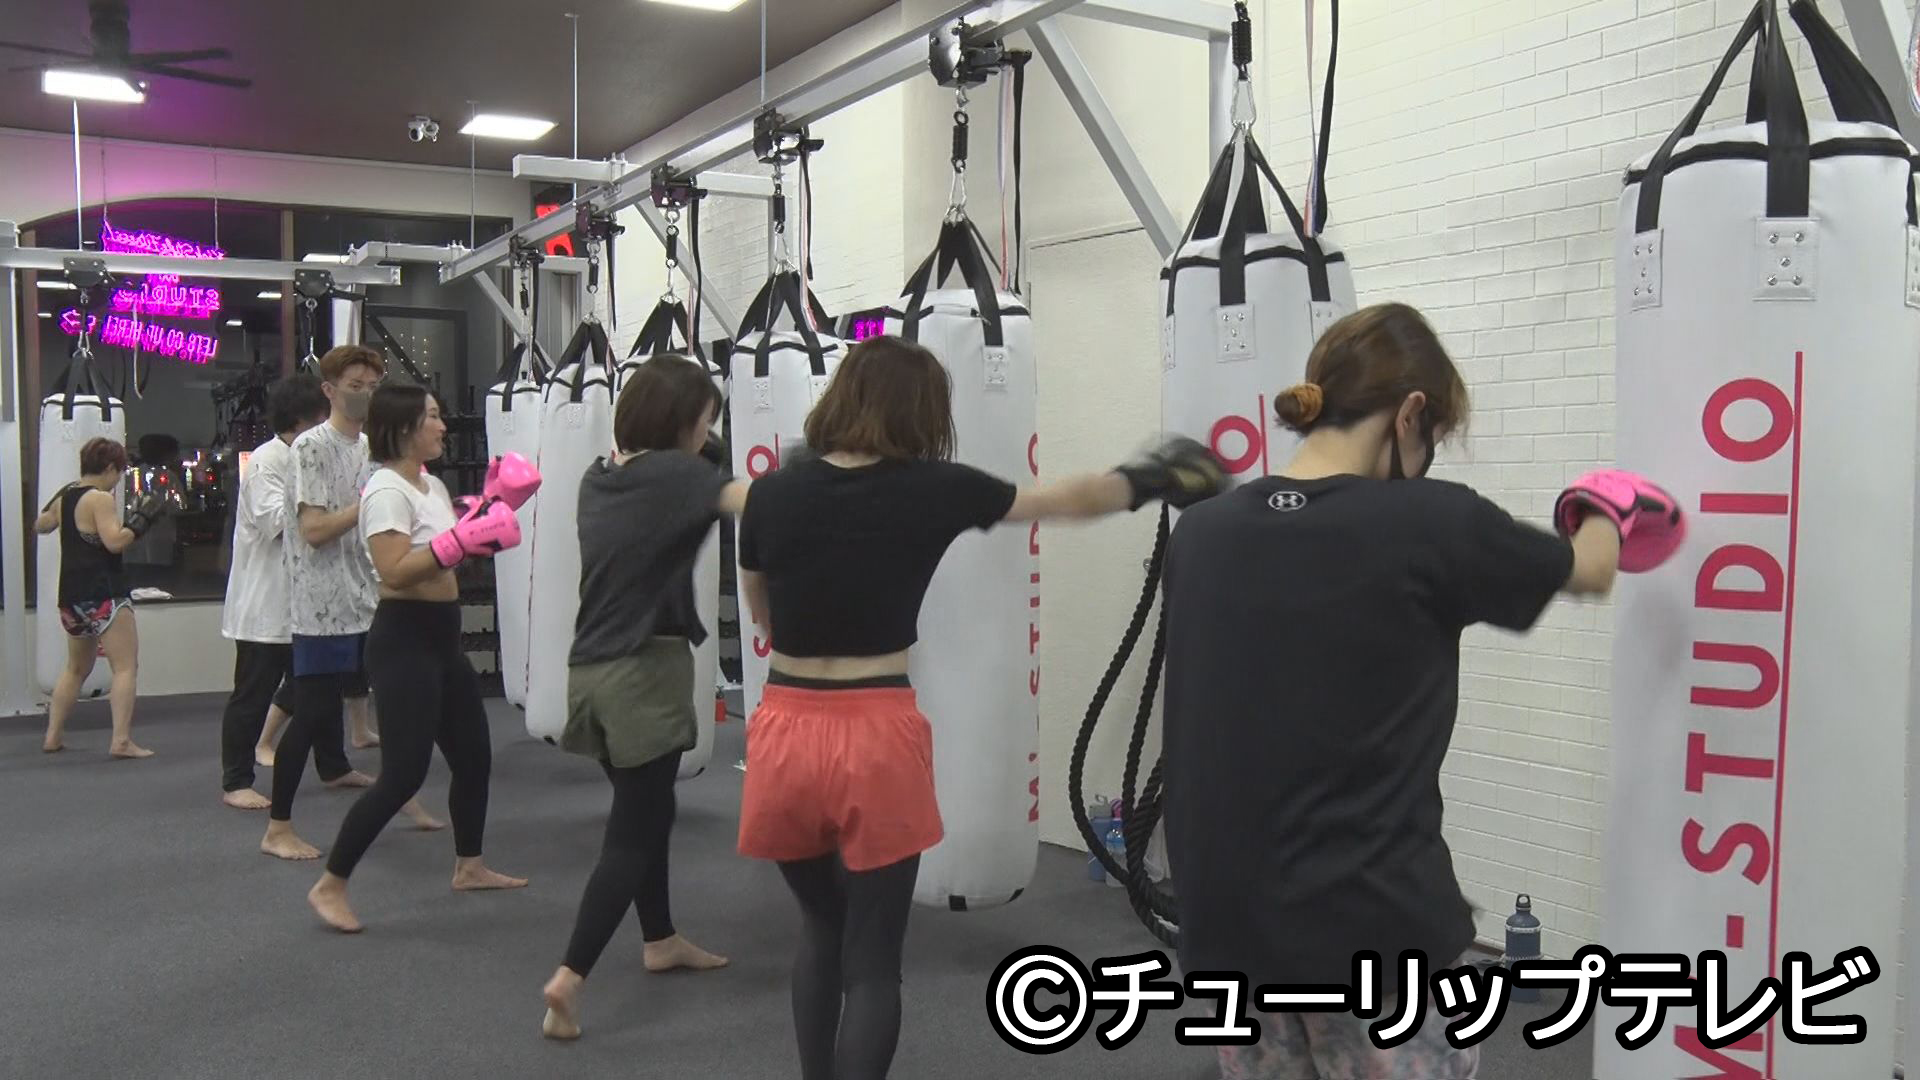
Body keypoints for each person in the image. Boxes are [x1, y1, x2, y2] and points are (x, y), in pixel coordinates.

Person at [1157, 303, 1683, 1080]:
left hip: (1228, 926)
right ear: (1410, 415)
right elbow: (1591, 570)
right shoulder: (1431, 521)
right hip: (1373, 929)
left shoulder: (1201, 532)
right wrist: (1606, 504)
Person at [731, 335, 1227, 1080]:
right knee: (873, 961)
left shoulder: (770, 493)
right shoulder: (933, 488)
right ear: (923, 413)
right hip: (873, 732)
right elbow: (1060, 502)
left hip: (784, 732)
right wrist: (1146, 478)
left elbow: (759, 611)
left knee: (821, 928)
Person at [541, 355, 738, 1041]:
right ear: (681, 422)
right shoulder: (681, 478)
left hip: (590, 672)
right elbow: (753, 501)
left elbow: (704, 463)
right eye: (703, 420)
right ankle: (570, 978)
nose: (707, 433)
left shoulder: (601, 476)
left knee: (648, 809)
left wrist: (701, 435)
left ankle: (660, 938)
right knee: (632, 833)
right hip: (643, 674)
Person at [306, 384, 529, 932]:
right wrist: (459, 541)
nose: (442, 425)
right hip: (404, 640)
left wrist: (484, 515)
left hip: (443, 638)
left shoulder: (431, 485)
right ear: (405, 427)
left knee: (474, 757)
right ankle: (330, 883)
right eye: (432, 416)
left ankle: (469, 865)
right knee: (403, 775)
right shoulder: (386, 490)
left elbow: (446, 554)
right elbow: (395, 571)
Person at [264, 346, 434, 861]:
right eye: (355, 385)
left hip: (370, 596)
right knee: (313, 715)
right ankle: (277, 828)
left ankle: (402, 795)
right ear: (330, 390)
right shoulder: (310, 447)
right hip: (322, 605)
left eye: (372, 385)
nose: (365, 394)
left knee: (397, 702)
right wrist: (368, 505)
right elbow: (314, 530)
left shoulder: (372, 450)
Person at [218, 374, 373, 809]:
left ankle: (334, 765)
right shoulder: (268, 461)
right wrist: (326, 510)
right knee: (253, 693)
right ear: (310, 417)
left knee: (323, 688)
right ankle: (236, 780)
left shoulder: (327, 454)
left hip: (315, 602)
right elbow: (280, 522)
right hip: (268, 604)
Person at [34, 437, 158, 758]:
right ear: (109, 468)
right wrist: (140, 522)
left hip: (71, 598)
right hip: (105, 593)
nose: (118, 479)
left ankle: (52, 736)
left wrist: (59, 501)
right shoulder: (100, 499)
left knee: (75, 668)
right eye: (119, 471)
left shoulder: (66, 496)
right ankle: (121, 741)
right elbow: (114, 542)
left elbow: (41, 525)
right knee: (125, 667)